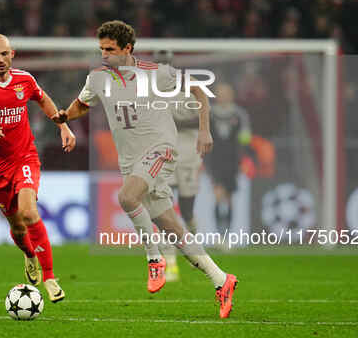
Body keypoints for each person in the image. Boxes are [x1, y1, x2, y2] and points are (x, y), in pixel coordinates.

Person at [53, 20, 238, 318]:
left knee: (127, 198)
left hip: (161, 150)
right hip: (131, 161)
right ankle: (221, 279)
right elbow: (82, 104)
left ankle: (154, 259)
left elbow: (200, 93)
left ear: (128, 48)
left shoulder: (157, 73)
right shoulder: (98, 78)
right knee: (174, 228)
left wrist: (204, 131)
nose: (104, 55)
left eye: (110, 49)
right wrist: (65, 116)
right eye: (101, 49)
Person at [0, 34, 75, 303]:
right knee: (18, 227)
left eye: (4, 54)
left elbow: (43, 99)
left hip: (25, 158)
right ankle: (29, 255)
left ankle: (51, 277)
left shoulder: (25, 80)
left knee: (30, 212)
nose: (1, 60)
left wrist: (62, 126)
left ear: (12, 54)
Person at [153, 49, 203, 282]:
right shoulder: (150, 91)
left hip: (189, 153)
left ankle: (196, 253)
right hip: (164, 152)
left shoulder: (187, 86)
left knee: (188, 208)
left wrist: (174, 119)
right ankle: (170, 262)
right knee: (165, 209)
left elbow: (199, 114)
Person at [204, 83, 251, 237]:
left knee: (229, 198)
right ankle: (218, 234)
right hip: (215, 160)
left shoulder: (239, 114)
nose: (223, 96)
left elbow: (245, 138)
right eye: (220, 93)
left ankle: (228, 235)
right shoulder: (209, 113)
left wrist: (243, 159)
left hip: (232, 161)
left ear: (231, 96)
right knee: (218, 195)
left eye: (226, 93)